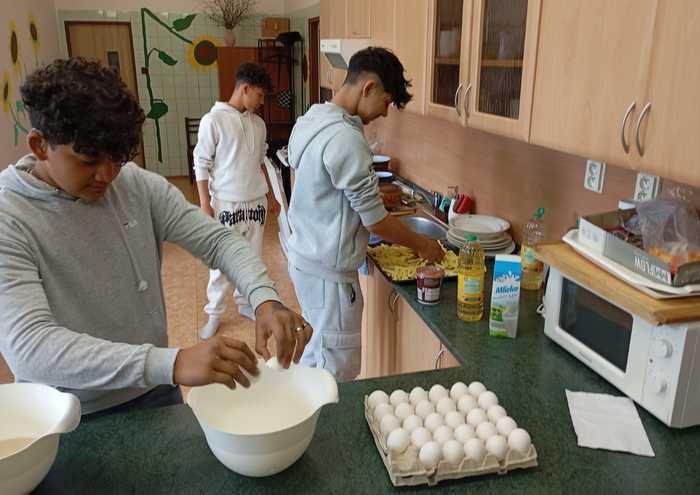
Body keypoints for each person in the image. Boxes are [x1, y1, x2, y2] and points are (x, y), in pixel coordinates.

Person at [0, 58, 312, 416]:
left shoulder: (134, 184)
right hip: (67, 410)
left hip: (154, 391)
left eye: (117, 159)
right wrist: (170, 363)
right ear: (40, 145)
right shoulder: (10, 217)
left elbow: (218, 241)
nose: (106, 176)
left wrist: (264, 297)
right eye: (89, 161)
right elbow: (29, 347)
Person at [286, 47, 444, 382]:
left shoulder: (314, 118)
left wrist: (366, 197)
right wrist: (423, 245)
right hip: (329, 277)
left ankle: (307, 411)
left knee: (317, 354)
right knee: (334, 372)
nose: (384, 113)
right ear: (368, 87)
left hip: (305, 260)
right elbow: (375, 223)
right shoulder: (346, 138)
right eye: (386, 102)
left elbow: (324, 185)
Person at [193, 62, 282, 340]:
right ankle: (214, 313)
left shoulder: (258, 124)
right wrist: (205, 204)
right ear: (245, 88)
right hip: (226, 204)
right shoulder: (213, 121)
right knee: (221, 261)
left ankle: (246, 304)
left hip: (255, 203)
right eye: (259, 95)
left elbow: (261, 162)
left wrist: (271, 195)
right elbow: (201, 164)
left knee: (252, 259)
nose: (262, 101)